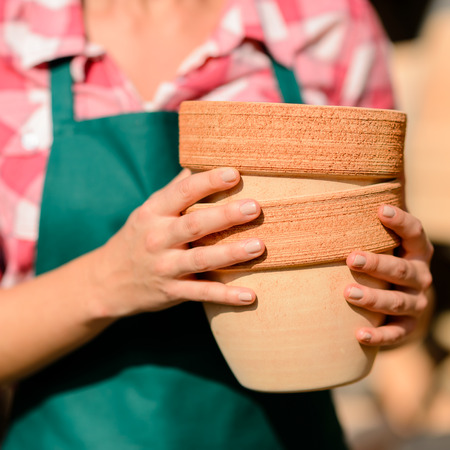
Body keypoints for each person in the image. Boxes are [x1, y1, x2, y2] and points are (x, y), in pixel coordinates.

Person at [0, 0, 433, 448]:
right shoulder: (10, 31)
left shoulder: (330, 20)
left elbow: (391, 274)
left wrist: (403, 304)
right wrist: (110, 280)